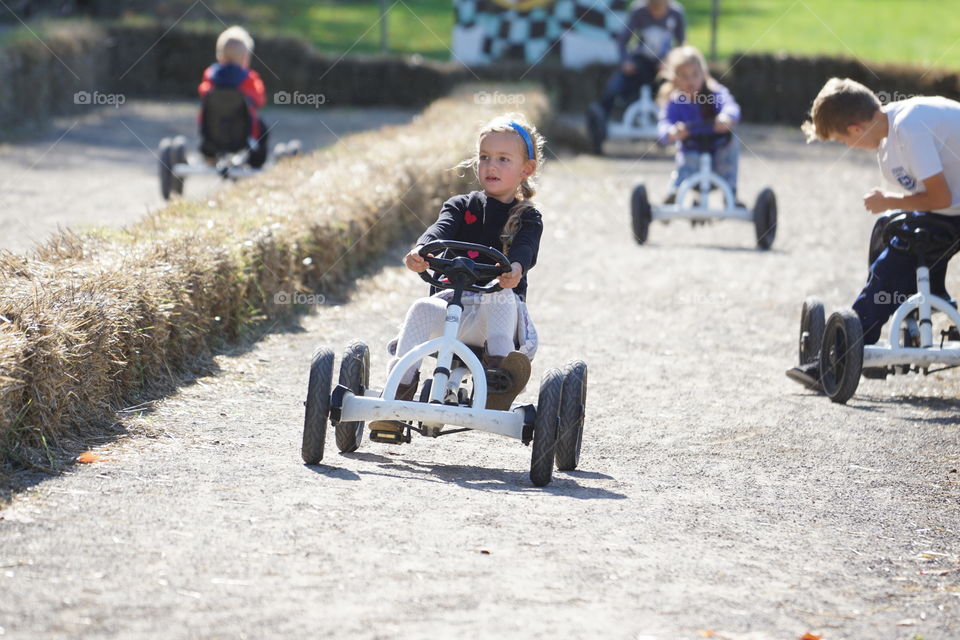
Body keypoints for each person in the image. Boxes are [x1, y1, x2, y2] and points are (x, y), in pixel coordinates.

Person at [370, 114, 545, 433]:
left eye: (503, 159)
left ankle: (497, 382)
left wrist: (515, 269)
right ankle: (397, 395)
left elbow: (525, 249)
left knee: (501, 297)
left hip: (496, 315)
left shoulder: (527, 216)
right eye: (484, 157)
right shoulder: (461, 205)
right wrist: (422, 250)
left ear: (526, 169)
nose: (491, 166)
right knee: (421, 308)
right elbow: (440, 229)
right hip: (452, 304)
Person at [787, 77, 960, 389]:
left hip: (951, 209)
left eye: (843, 141)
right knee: (889, 230)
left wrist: (889, 200)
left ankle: (841, 355)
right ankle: (919, 305)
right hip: (948, 212)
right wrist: (892, 206)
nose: (848, 147)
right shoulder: (891, 133)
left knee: (890, 265)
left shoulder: (909, 127)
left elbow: (940, 199)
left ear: (855, 129)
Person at [657, 45, 741, 204]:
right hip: (691, 154)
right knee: (685, 162)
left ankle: (731, 194)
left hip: (719, 153)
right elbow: (664, 125)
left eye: (695, 75)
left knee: (732, 143)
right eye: (684, 76)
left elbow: (730, 106)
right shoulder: (675, 102)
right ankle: (674, 193)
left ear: (703, 74)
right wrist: (672, 132)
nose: (690, 81)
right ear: (675, 79)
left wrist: (726, 117)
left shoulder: (714, 94)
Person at [595, 0, 685, 125]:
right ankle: (602, 116)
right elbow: (623, 41)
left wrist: (670, 62)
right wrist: (625, 61)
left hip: (663, 63)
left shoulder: (676, 13)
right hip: (641, 60)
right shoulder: (639, 11)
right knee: (616, 84)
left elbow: (681, 45)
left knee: (679, 85)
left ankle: (676, 119)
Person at [197, 25, 269, 168]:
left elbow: (203, 93)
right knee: (263, 129)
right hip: (243, 136)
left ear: (219, 55)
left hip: (213, 134)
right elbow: (260, 100)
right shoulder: (250, 79)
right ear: (245, 58)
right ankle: (255, 162)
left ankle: (210, 155)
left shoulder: (210, 76)